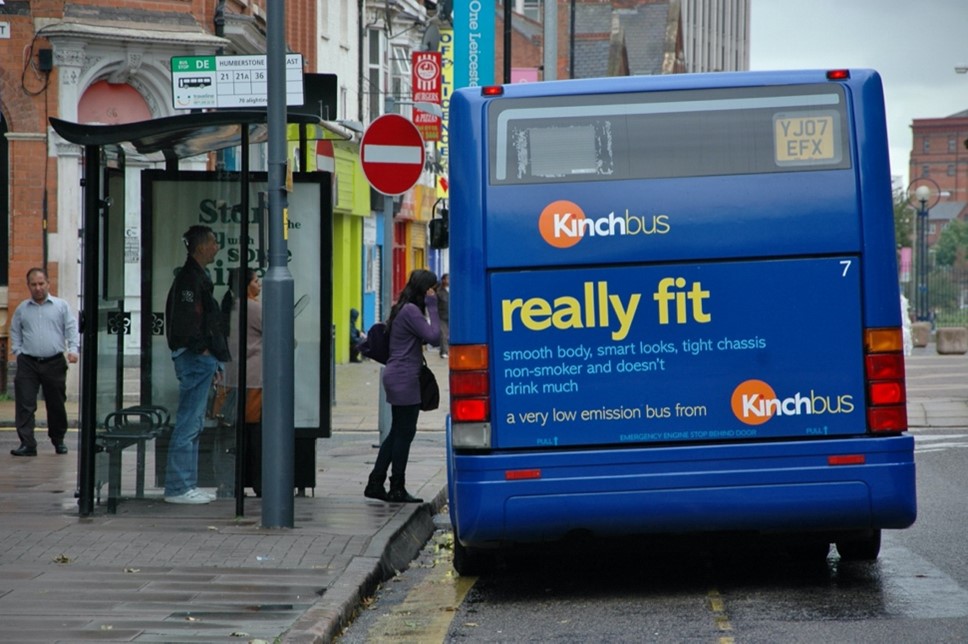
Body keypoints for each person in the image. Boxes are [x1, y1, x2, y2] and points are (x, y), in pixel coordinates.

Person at [164, 225, 231, 504]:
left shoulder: (194, 277)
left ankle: (186, 484)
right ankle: (179, 487)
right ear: (202, 246)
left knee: (193, 424)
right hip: (195, 359)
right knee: (189, 423)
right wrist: (203, 350)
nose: (217, 247)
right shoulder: (190, 280)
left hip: (200, 358)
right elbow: (188, 321)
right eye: (214, 242)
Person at [364, 269, 441, 503]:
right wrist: (433, 306)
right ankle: (397, 487)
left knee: (398, 431)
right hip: (404, 377)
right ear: (424, 289)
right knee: (405, 433)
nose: (434, 293)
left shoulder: (404, 308)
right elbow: (434, 336)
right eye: (432, 289)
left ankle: (376, 482)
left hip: (399, 375)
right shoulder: (410, 311)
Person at [9, 267, 80, 457]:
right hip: (28, 363)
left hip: (54, 361)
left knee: (56, 403)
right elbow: (15, 331)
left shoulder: (61, 306)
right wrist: (18, 351)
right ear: (28, 286)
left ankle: (58, 440)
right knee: (25, 403)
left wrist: (73, 350)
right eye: (34, 284)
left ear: (48, 284)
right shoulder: (22, 309)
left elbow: (71, 328)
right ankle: (27, 444)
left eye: (41, 283)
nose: (38, 288)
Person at [217, 268, 263, 497]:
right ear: (246, 285)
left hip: (230, 380)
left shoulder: (229, 306)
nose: (259, 284)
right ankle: (259, 483)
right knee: (254, 434)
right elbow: (279, 333)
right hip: (253, 380)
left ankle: (230, 483)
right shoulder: (253, 307)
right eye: (256, 280)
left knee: (233, 434)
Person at [437, 273, 450, 358]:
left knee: (449, 334)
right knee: (443, 334)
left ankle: (448, 350)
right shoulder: (439, 291)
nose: (449, 280)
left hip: (451, 316)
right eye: (447, 279)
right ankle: (444, 352)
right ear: (443, 280)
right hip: (441, 315)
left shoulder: (454, 289)